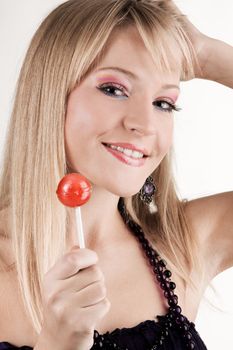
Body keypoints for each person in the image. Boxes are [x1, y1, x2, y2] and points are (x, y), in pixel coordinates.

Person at [0, 0, 232, 349]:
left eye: (163, 103)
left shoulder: (187, 244)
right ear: (51, 93)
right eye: (113, 89)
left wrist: (206, 56)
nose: (144, 124)